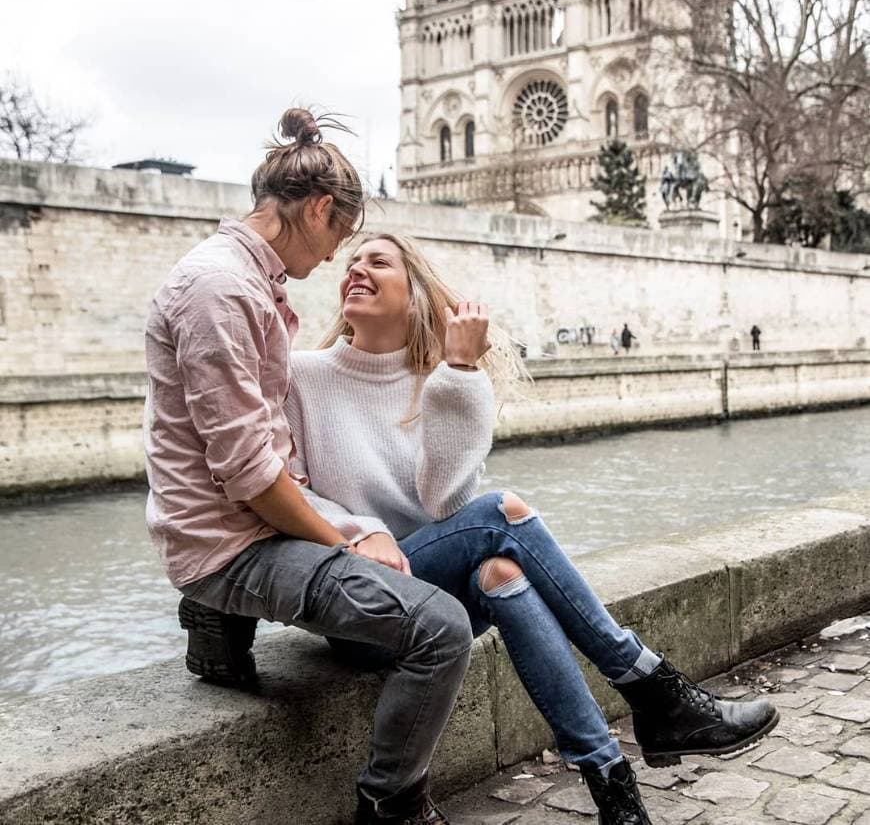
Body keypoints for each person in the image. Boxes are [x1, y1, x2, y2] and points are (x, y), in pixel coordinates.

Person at [282, 234, 779, 825]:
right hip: (361, 603)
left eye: (378, 262)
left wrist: (459, 371)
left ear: (415, 295)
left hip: (435, 604)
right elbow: (284, 488)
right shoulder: (302, 376)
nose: (356, 270)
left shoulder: (445, 382)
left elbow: (444, 502)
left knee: (502, 572)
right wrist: (363, 530)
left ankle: (611, 784)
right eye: (352, 262)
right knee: (503, 513)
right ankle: (650, 688)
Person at [144, 111, 474, 825]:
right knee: (441, 627)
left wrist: (353, 526)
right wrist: (349, 540)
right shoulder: (220, 289)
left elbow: (270, 455)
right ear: (320, 209)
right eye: (337, 240)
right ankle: (390, 802)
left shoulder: (249, 283)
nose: (333, 261)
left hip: (249, 525)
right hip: (238, 543)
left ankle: (215, 613)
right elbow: (251, 475)